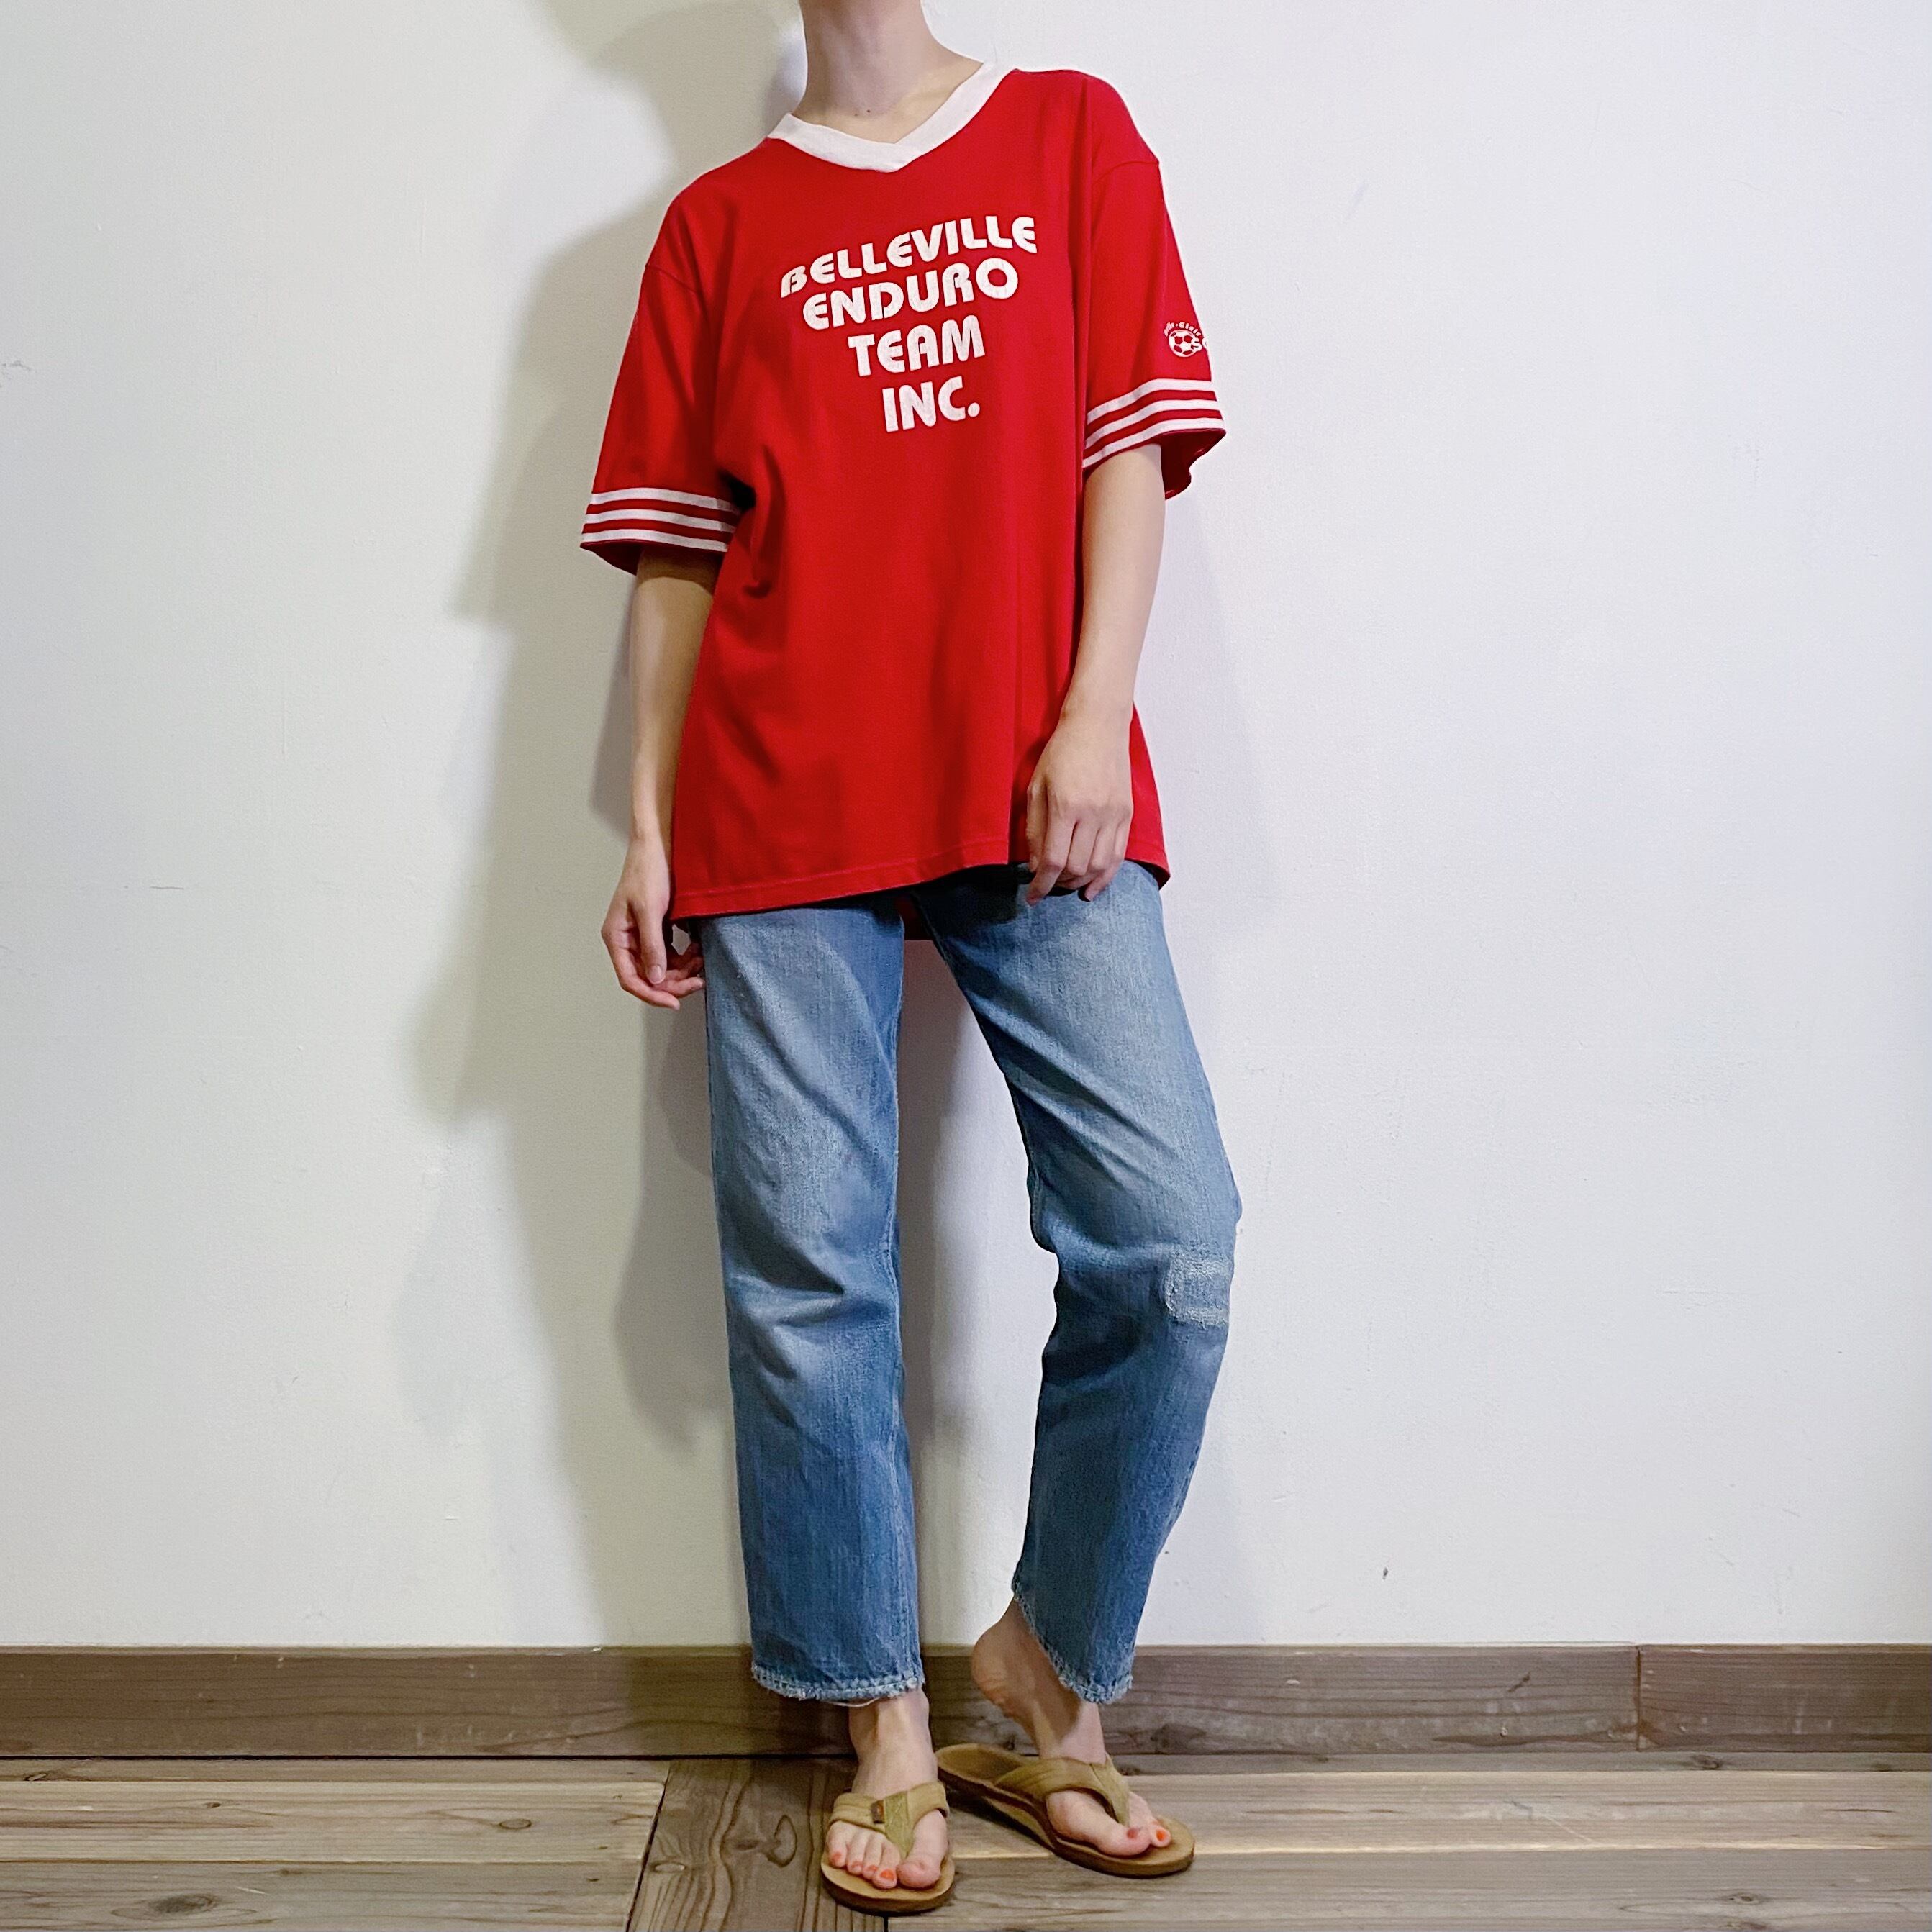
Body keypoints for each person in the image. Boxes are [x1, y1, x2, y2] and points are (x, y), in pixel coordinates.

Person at [585, 2, 1240, 1913]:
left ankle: (1047, 1666)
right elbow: (681, 559)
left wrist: (1091, 717)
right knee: (811, 1272)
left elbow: (1129, 450)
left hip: (1040, 783)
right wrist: (649, 819)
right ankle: (881, 1723)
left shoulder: (1070, 137)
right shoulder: (717, 228)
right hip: (780, 804)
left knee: (1168, 1242)